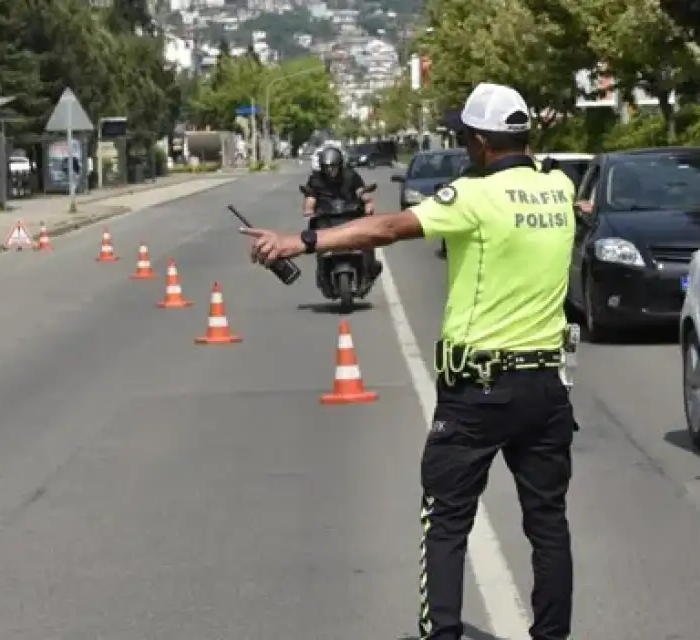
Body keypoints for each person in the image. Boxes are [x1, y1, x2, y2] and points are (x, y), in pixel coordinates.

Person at [241, 82, 579, 640]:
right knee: (547, 523)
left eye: (463, 135)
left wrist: (301, 241)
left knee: (445, 520)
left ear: (478, 140)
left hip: (479, 390)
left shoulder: (475, 197)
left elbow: (389, 227)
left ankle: (441, 634)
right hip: (547, 386)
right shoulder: (558, 189)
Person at [303, 146, 382, 278]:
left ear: (339, 165)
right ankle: (322, 271)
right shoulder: (315, 179)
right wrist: (308, 210)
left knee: (367, 238)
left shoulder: (350, 175)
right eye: (327, 167)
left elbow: (360, 191)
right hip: (326, 219)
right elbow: (311, 198)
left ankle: (371, 266)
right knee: (316, 240)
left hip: (350, 215)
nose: (330, 170)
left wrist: (368, 202)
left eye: (333, 166)